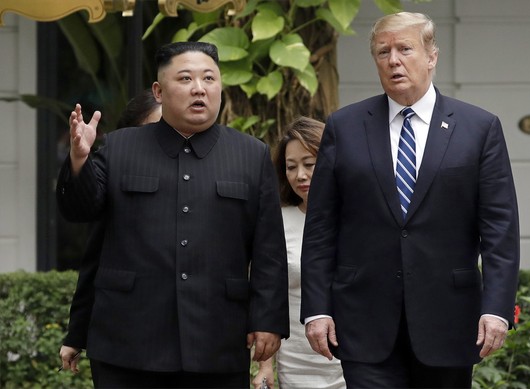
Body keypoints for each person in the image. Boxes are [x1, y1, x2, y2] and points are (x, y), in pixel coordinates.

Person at [300, 12, 520, 388]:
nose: (393, 60)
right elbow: (322, 226)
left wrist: (497, 310)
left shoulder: (479, 128)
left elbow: (500, 229)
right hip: (364, 322)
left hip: (449, 321)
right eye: (383, 52)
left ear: (432, 56)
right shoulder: (345, 127)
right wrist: (317, 309)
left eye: (405, 49)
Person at [57, 41, 289, 388]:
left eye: (209, 79)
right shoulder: (119, 147)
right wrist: (79, 159)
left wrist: (268, 319)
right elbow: (79, 210)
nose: (199, 88)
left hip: (217, 337)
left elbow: (269, 249)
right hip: (128, 339)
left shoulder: (251, 155)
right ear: (159, 91)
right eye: (185, 78)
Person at [59, 89, 162, 384]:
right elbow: (94, 261)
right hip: (125, 338)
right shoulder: (114, 176)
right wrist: (76, 334)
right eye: (155, 129)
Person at [252, 117, 346, 389]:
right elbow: (268, 295)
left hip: (353, 359)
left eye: (310, 164)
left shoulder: (357, 220)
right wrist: (265, 365)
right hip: (296, 361)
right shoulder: (277, 221)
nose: (300, 175)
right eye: (291, 167)